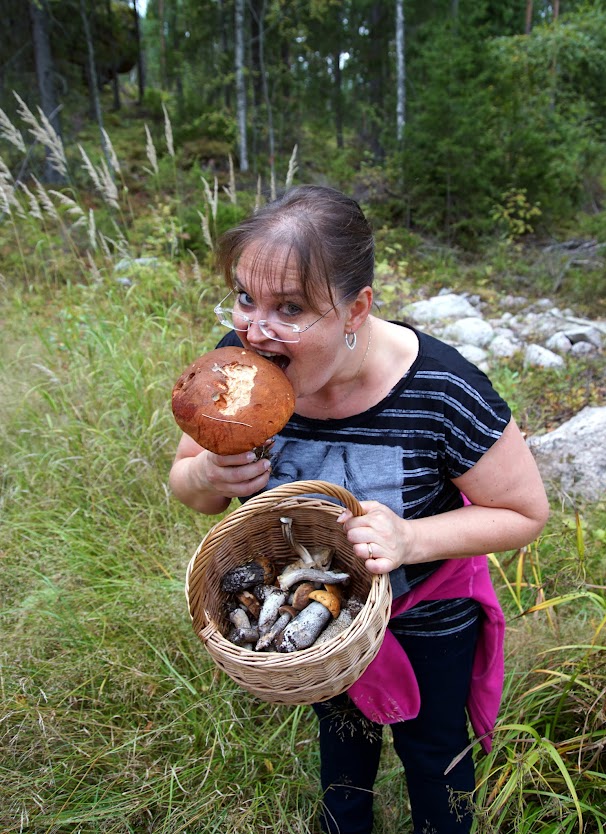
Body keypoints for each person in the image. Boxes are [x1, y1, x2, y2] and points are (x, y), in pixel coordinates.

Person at [169, 185, 549, 834]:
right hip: (312, 615)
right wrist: (208, 469)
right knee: (343, 744)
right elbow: (190, 486)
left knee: (435, 753)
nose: (254, 331)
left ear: (356, 309)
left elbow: (525, 512)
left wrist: (409, 538)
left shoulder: (441, 389)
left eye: (289, 308)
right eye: (243, 297)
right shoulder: (236, 376)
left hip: (426, 606)